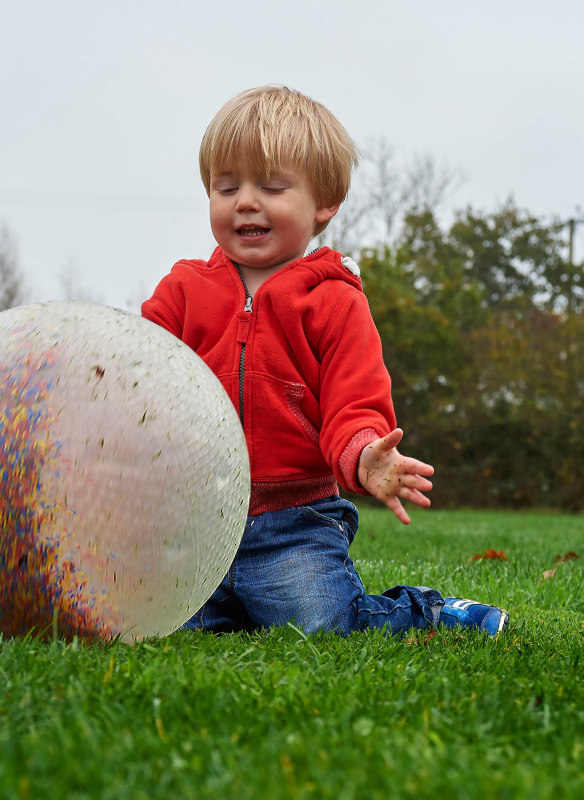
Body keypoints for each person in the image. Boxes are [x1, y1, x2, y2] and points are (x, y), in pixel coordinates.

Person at [141, 85, 509, 637]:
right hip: (192, 525)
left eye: (271, 186)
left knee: (322, 623)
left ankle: (428, 611)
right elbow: (138, 371)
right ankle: (232, 609)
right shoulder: (183, 291)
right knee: (160, 626)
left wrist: (364, 455)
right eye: (226, 186)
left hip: (293, 523)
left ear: (325, 203)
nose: (245, 201)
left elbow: (354, 405)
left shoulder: (335, 303)